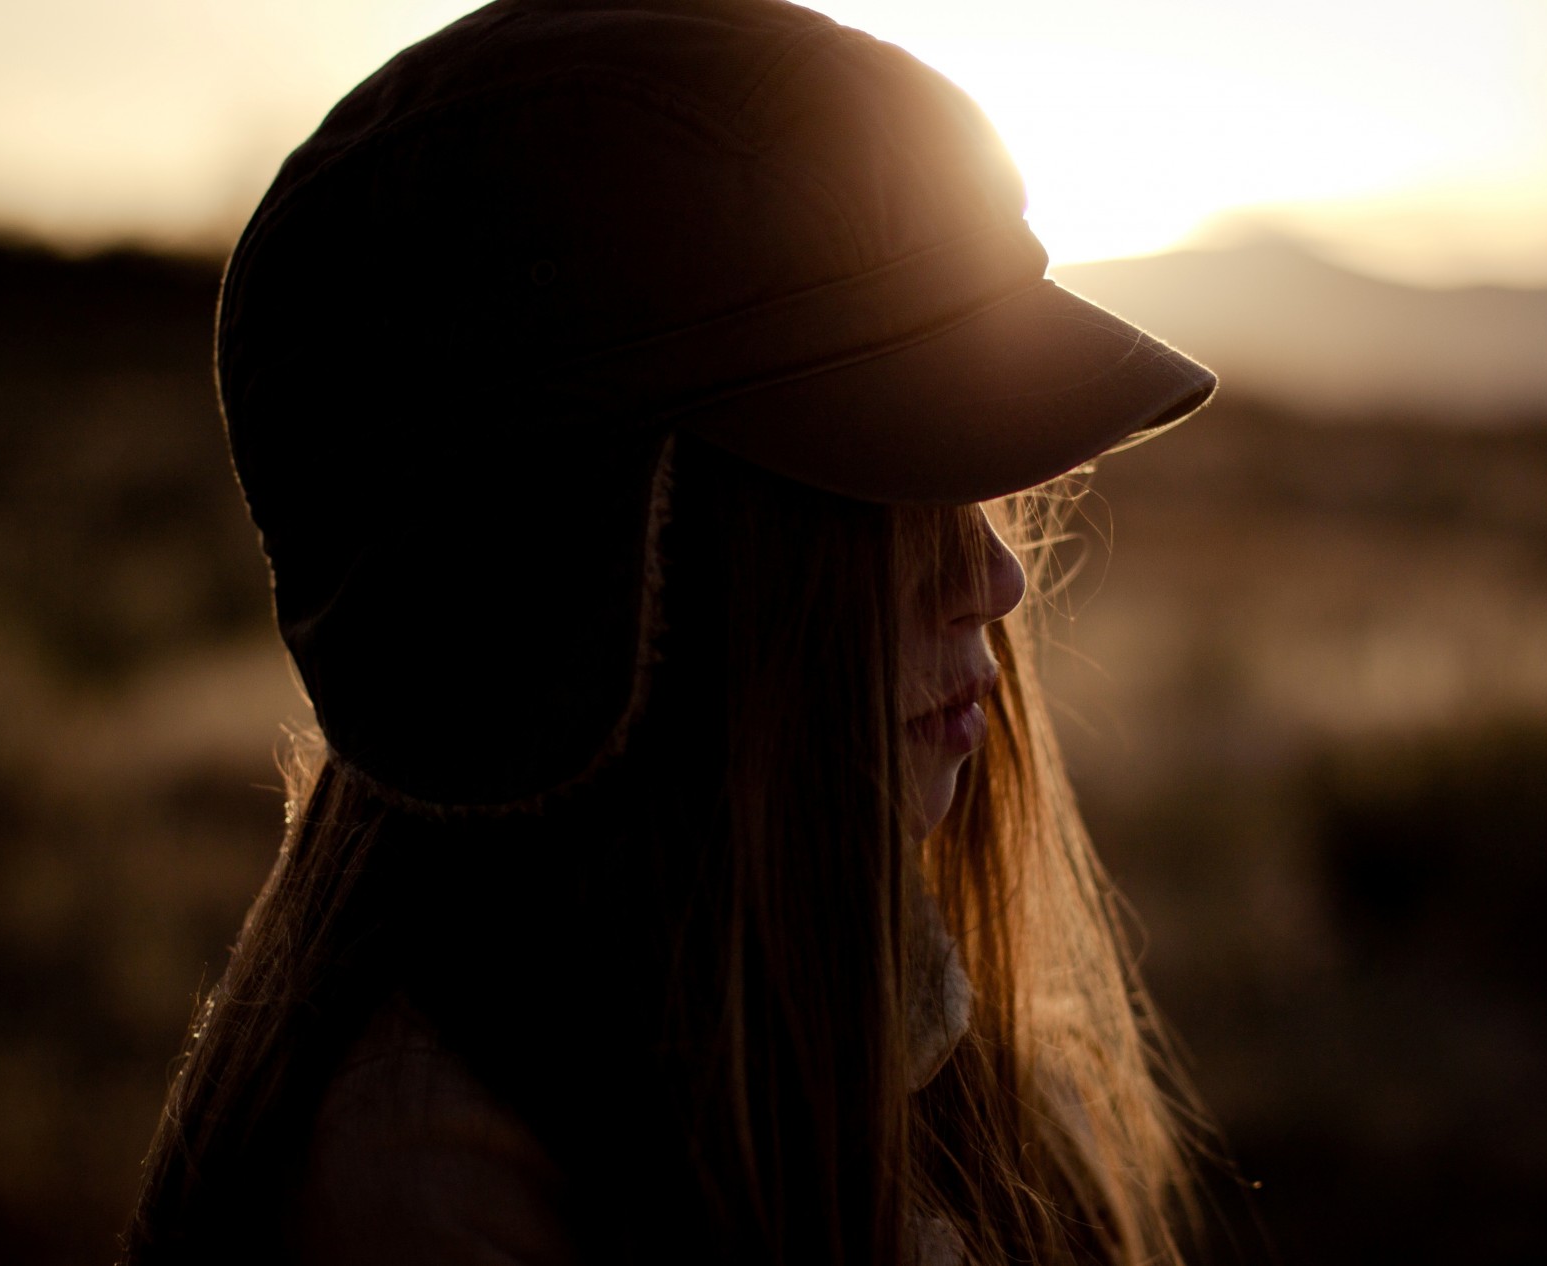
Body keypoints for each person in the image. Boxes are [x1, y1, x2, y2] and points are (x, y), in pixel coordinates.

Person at [124, 1, 1216, 1263]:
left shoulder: (917, 1040)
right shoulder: (432, 1199)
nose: (992, 580)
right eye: (886, 490)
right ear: (584, 576)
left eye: (978, 486)